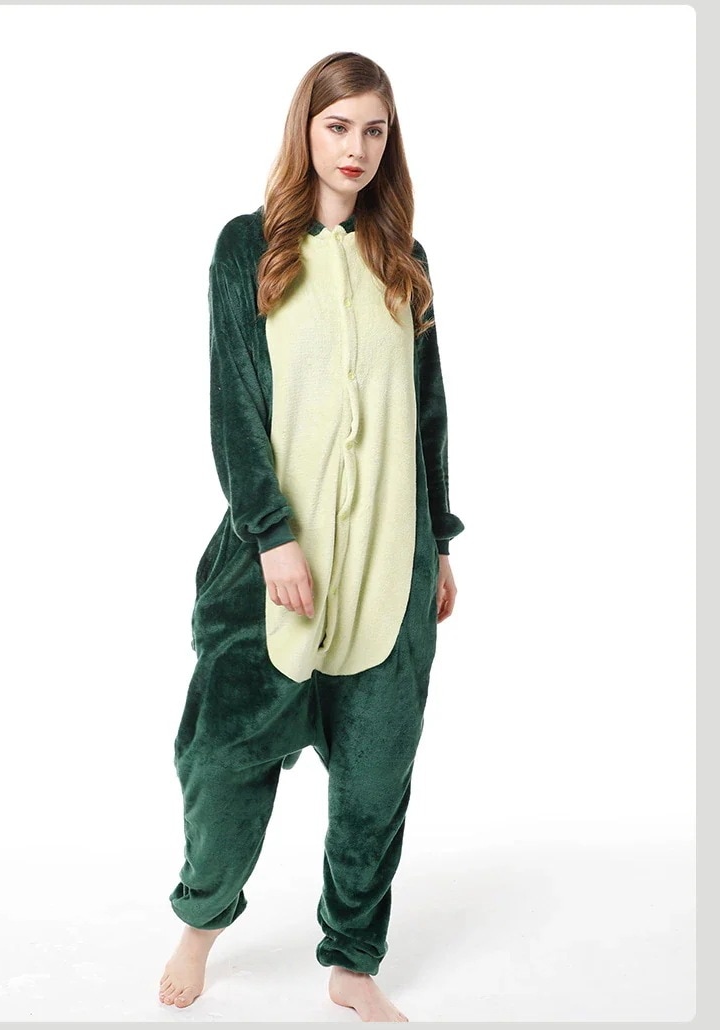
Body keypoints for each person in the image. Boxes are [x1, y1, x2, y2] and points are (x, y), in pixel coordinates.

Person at [159, 51, 465, 1022]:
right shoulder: (247, 248)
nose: (356, 147)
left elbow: (427, 415)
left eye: (374, 129)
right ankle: (201, 921)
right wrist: (271, 537)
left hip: (388, 564)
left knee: (375, 780)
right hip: (273, 568)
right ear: (306, 129)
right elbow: (234, 407)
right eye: (339, 126)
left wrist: (439, 543)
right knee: (222, 764)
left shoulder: (404, 260)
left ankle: (352, 962)